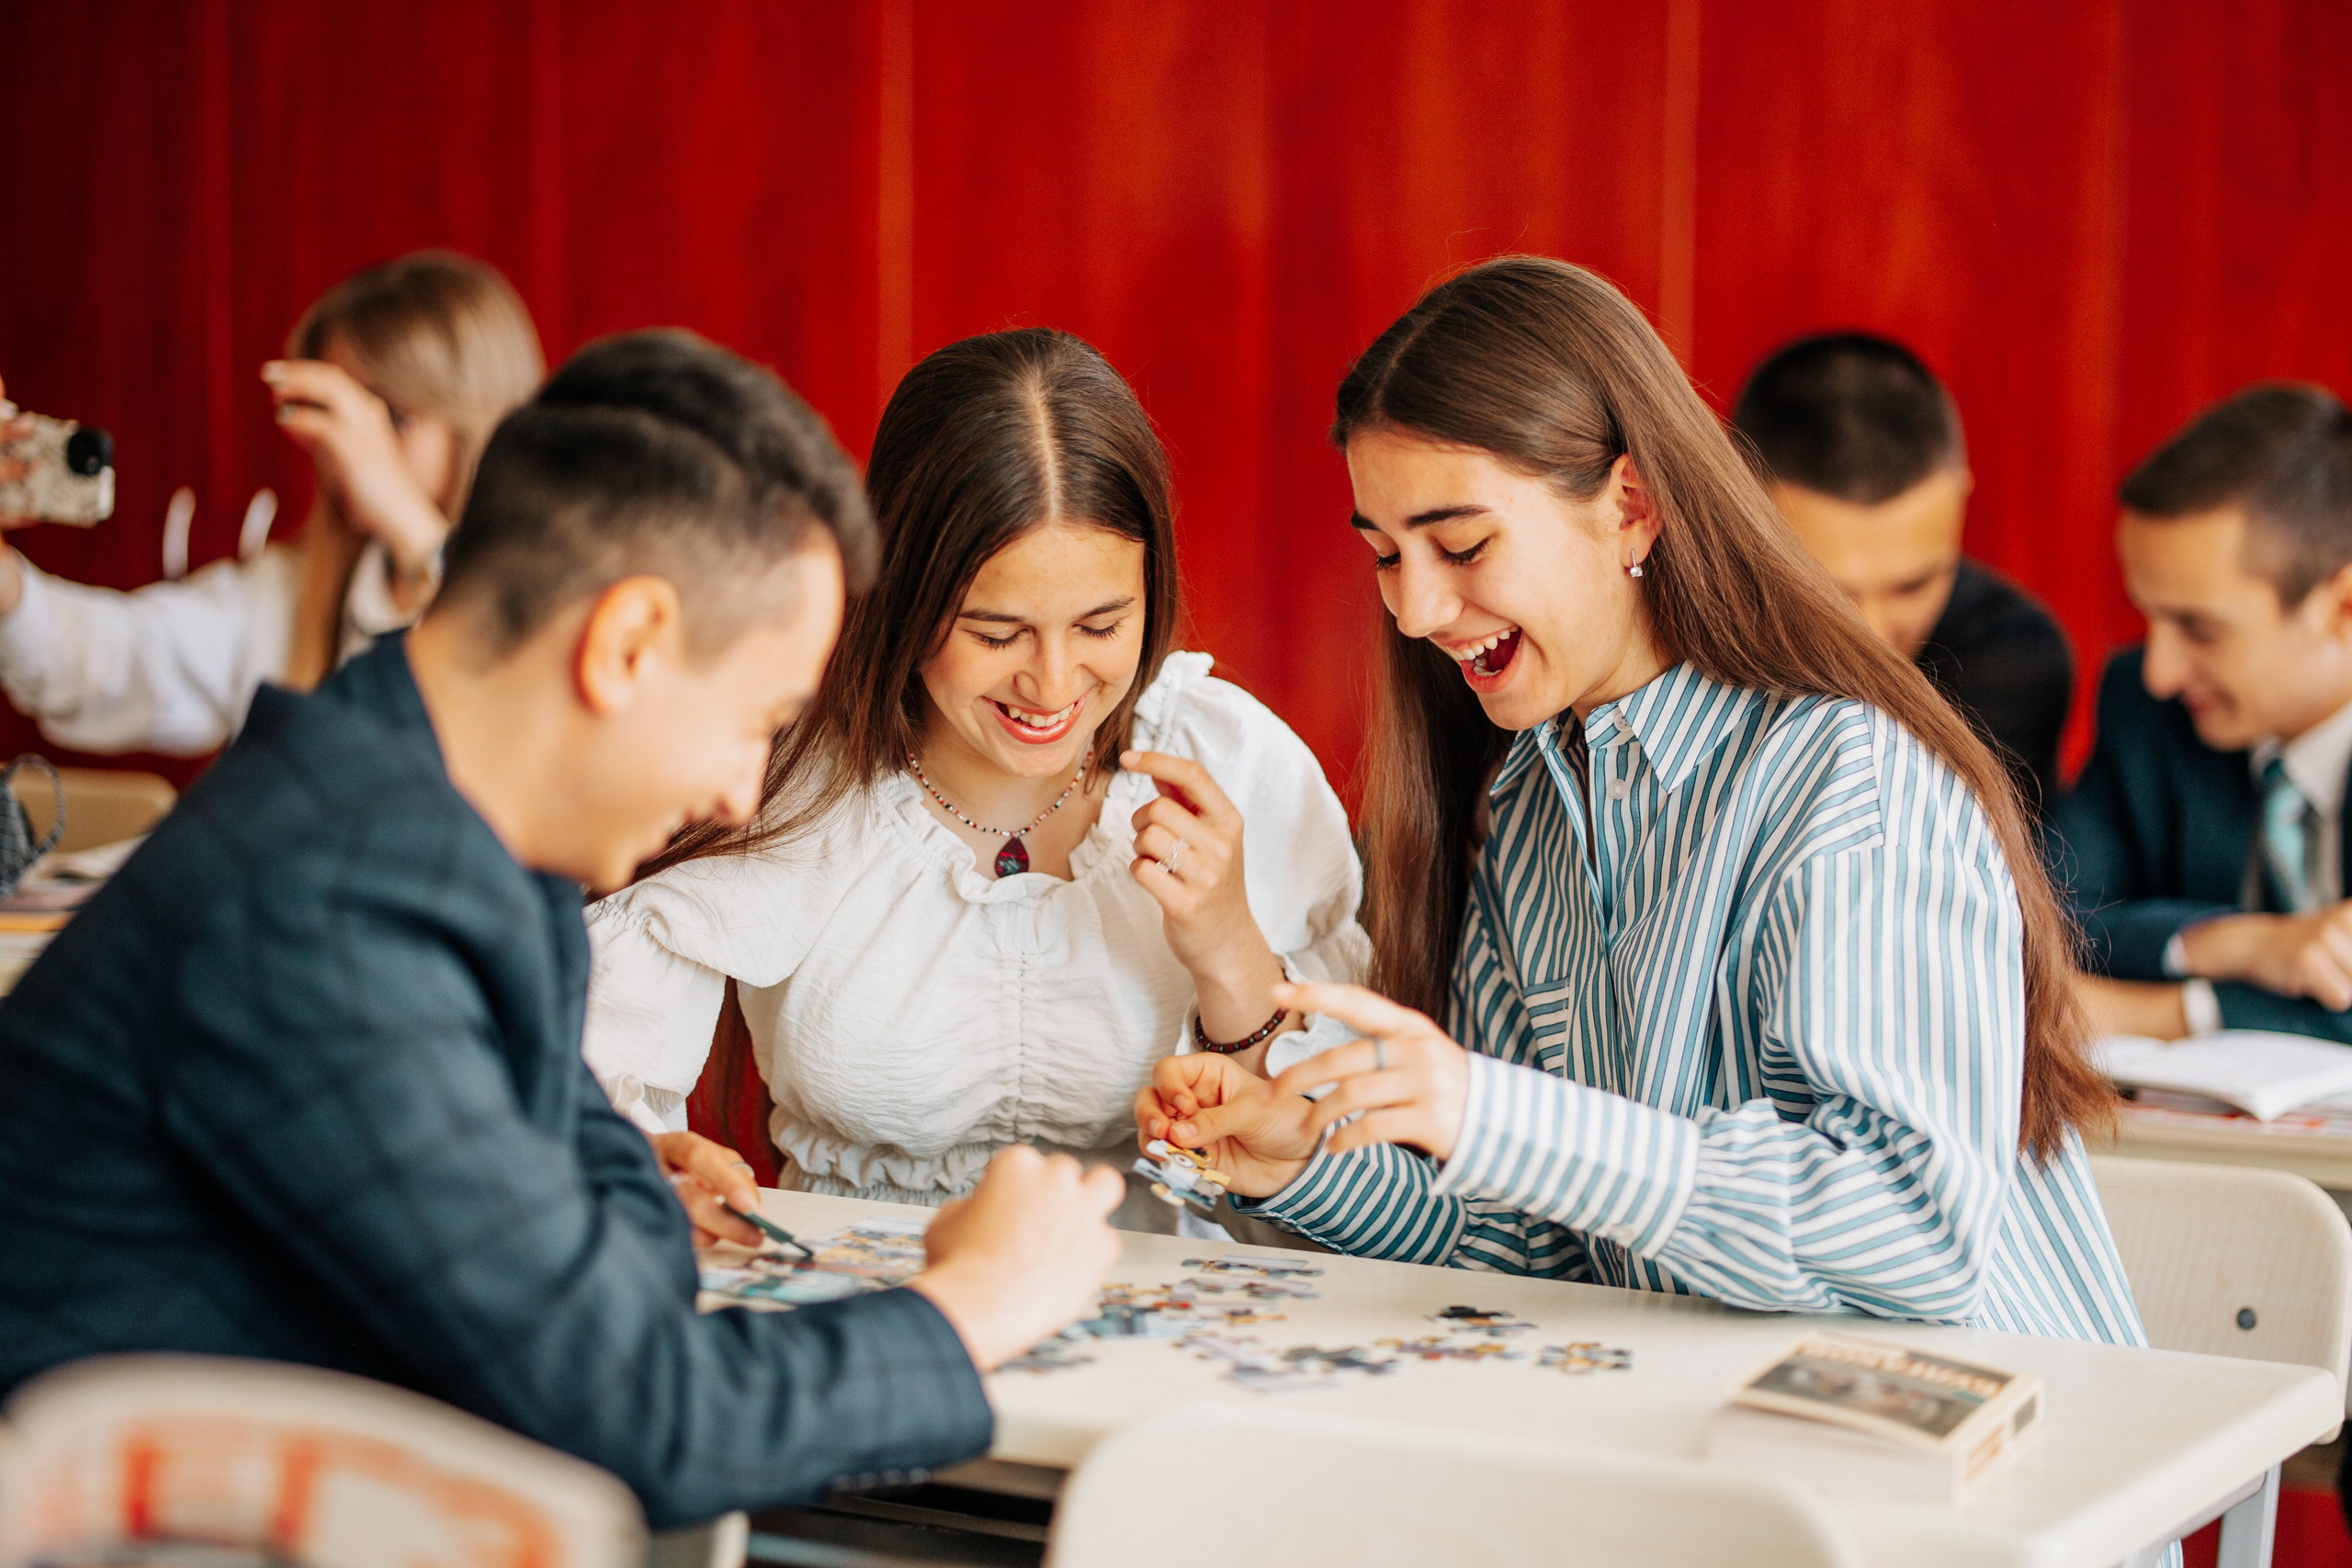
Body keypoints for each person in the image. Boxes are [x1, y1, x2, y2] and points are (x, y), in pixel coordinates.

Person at [0, 330, 1125, 1524]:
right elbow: (639, 1412)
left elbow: (614, 1245)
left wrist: (597, 1197)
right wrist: (977, 1301)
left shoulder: (463, 839)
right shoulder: (326, 903)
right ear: (627, 643)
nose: (744, 792)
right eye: (759, 716)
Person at [1135, 257, 2143, 1345]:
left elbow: (1911, 1237)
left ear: (1630, 507)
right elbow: (1537, 1240)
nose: (1418, 607)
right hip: (1721, 1435)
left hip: (1985, 1461)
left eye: (1461, 544)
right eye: (1385, 555)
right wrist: (1304, 1171)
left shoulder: (1848, 782)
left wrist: (1499, 1114)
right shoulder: (1527, 809)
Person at [584, 328, 1366, 1235]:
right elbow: (599, 1071)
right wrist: (647, 1169)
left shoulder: (1228, 756)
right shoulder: (781, 775)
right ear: (903, 600)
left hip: (1164, 1314)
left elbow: (1344, 1160)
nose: (1053, 683)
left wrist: (1230, 949)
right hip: (863, 1302)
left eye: (1102, 624)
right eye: (996, 635)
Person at [0, 251, 542, 753]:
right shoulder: (297, 595)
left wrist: (413, 530)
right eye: (339, 418)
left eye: (392, 419)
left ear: (481, 425)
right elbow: (120, 659)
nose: (351, 454)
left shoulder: (558, 605)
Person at [2052, 384, 2352, 1043]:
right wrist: (2241, 944)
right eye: (2149, 616)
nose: (2160, 671)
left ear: (2342, 606)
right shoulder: (2144, 705)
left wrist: (2163, 1015)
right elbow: (2045, 920)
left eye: (2199, 628)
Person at [1733, 333, 2073, 812]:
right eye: (1827, 591)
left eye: (1912, 586)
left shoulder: (2016, 657)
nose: (1871, 636)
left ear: (1961, 499)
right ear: (1735, 517)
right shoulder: (1658, 631)